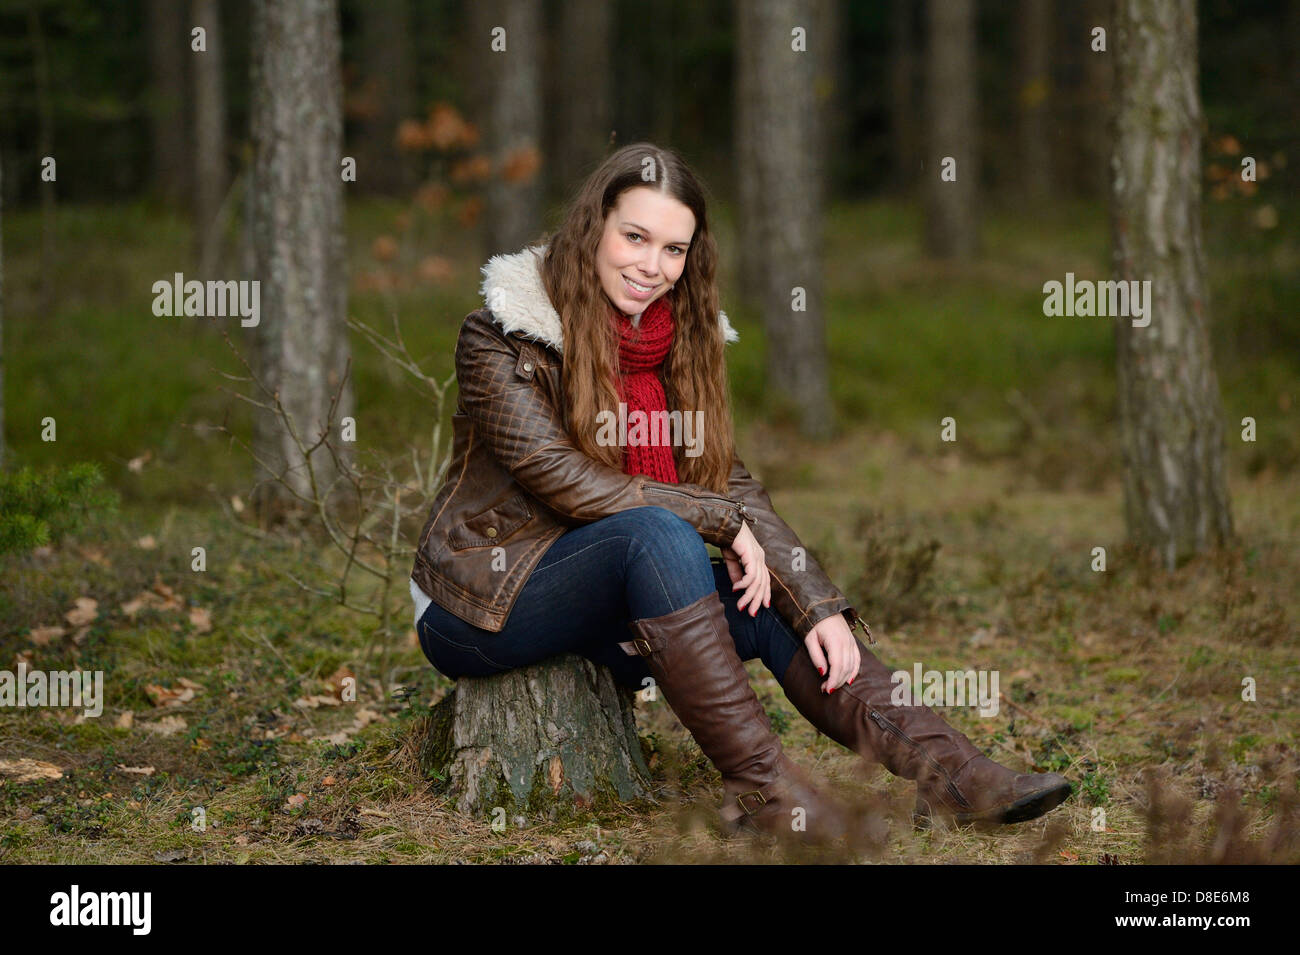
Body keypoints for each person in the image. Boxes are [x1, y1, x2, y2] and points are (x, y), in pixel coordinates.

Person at [409, 142, 1070, 847]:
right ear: (593, 225)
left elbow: (729, 480)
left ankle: (956, 774)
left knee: (764, 598)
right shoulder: (504, 335)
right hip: (485, 601)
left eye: (673, 249)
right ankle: (766, 793)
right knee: (661, 536)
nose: (650, 266)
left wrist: (815, 603)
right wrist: (719, 522)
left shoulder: (679, 344)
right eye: (634, 236)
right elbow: (559, 478)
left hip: (605, 599)